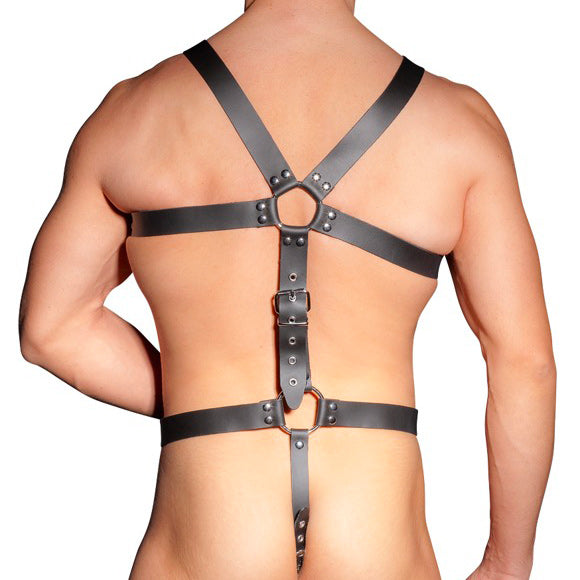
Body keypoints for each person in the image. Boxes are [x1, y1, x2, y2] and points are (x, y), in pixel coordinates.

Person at [18, 0, 556, 578]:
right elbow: (524, 363)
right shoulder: (456, 122)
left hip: (212, 525)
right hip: (375, 532)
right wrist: (507, 565)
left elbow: (51, 330)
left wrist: (199, 391)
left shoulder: (135, 113)